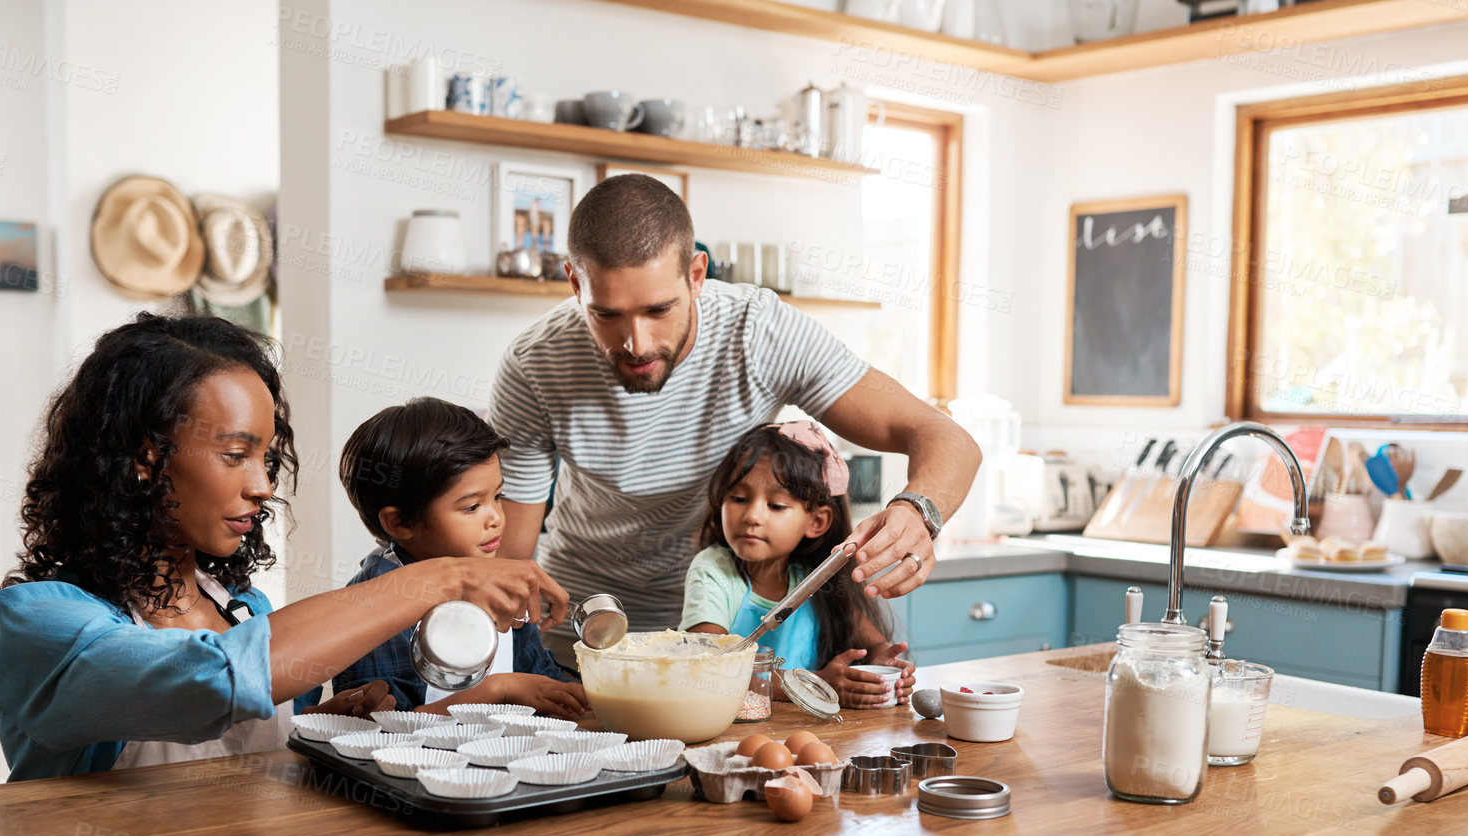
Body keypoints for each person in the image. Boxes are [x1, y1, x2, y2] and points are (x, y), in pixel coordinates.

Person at [0, 313, 569, 784]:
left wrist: (320, 723)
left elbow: (244, 755)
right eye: (236, 455)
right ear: (145, 459)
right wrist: (441, 578)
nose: (263, 486)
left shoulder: (246, 609)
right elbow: (212, 678)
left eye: (266, 457)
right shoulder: (42, 627)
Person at [488, 173, 981, 667]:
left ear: (697, 275)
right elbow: (508, 558)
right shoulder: (535, 364)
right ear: (576, 284)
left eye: (659, 309)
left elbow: (945, 437)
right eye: (607, 314)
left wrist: (920, 511)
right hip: (585, 637)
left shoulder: (760, 332)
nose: (636, 343)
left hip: (731, 638)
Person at [328, 398, 587, 718]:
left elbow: (541, 679)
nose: (495, 518)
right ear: (400, 523)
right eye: (471, 507)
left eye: (498, 496)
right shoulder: (376, 600)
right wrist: (497, 690)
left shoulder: (501, 581)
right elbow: (382, 724)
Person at [682, 422, 916, 709]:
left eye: (776, 505)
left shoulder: (816, 579)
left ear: (817, 522)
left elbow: (876, 644)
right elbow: (711, 664)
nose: (752, 516)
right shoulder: (713, 572)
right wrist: (815, 685)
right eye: (739, 499)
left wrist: (882, 663)